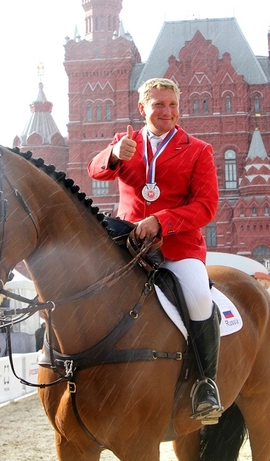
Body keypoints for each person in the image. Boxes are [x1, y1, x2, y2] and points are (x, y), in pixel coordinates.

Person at [87, 77, 222, 424]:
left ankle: (206, 384)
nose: (167, 111)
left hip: (177, 246)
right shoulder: (126, 141)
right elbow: (94, 170)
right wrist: (114, 154)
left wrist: (162, 221)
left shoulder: (198, 149)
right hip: (126, 242)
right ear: (142, 107)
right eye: (159, 104)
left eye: (173, 105)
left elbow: (207, 207)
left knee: (197, 297)